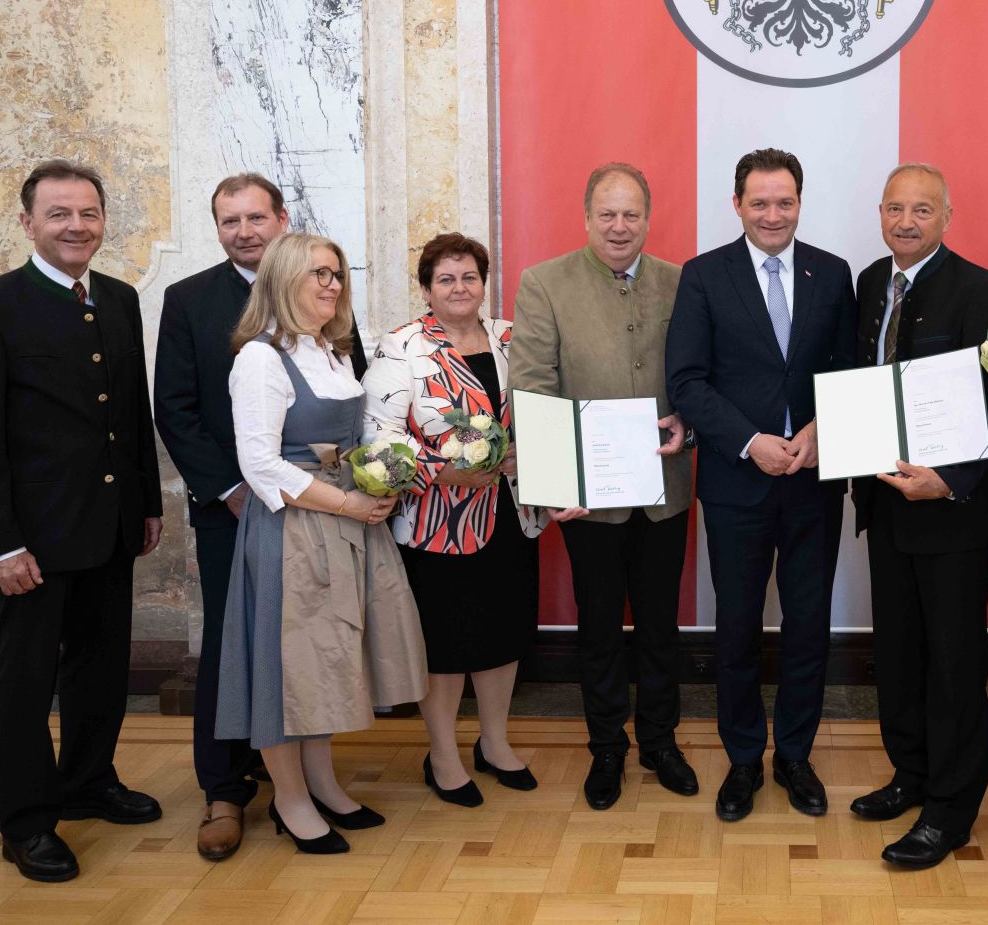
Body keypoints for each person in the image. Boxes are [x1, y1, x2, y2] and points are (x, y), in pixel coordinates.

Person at [0, 159, 165, 883]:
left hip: (111, 525)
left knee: (101, 668)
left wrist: (149, 501)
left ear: (104, 221)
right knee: (28, 681)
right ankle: (29, 822)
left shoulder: (122, 299)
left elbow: (130, 412)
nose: (76, 226)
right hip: (33, 539)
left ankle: (88, 781)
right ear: (28, 221)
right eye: (60, 213)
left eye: (88, 213)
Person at [154, 173, 368, 862]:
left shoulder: (326, 308)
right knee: (237, 649)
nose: (243, 230)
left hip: (318, 512)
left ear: (280, 219)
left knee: (306, 652)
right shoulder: (190, 300)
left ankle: (308, 784)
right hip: (238, 509)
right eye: (228, 220)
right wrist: (232, 489)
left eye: (255, 217)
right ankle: (224, 790)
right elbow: (176, 408)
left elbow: (348, 406)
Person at [215, 232, 426, 854]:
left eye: (336, 274)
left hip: (347, 521)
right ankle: (289, 797)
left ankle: (323, 782)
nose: (332, 285)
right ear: (281, 279)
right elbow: (259, 465)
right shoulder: (260, 358)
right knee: (287, 668)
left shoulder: (332, 355)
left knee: (326, 662)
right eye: (317, 274)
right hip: (295, 530)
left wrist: (379, 481)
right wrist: (348, 503)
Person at [665, 148, 857, 823]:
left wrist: (817, 428)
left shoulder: (833, 273)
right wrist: (751, 441)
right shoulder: (704, 275)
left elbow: (849, 369)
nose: (772, 213)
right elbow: (687, 381)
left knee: (808, 626)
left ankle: (794, 755)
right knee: (738, 626)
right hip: (736, 483)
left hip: (813, 479)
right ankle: (744, 756)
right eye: (760, 201)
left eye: (784, 201)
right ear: (738, 204)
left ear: (800, 202)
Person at [508, 164, 698, 810]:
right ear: (586, 216)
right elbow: (531, 386)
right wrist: (553, 480)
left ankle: (661, 740)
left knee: (660, 627)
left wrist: (691, 426)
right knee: (597, 629)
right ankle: (607, 747)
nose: (620, 226)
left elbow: (701, 376)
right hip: (587, 499)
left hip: (664, 489)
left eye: (632, 214)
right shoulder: (545, 283)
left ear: (649, 217)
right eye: (607, 214)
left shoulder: (682, 282)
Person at [846, 165, 988, 869]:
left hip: (951, 512)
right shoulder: (867, 282)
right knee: (900, 655)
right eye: (895, 208)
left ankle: (950, 808)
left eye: (922, 209)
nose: (906, 221)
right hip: (883, 504)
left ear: (948, 214)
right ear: (879, 213)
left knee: (952, 664)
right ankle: (910, 772)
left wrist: (949, 481)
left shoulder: (981, 289)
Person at [363, 233, 542, 808]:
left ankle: (495, 743)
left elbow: (544, 413)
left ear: (484, 283)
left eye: (469, 277)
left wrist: (531, 452)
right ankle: (441, 753)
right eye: (446, 279)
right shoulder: (403, 348)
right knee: (443, 643)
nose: (460, 288)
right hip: (437, 524)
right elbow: (377, 443)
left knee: (503, 632)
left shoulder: (514, 338)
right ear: (425, 288)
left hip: (511, 514)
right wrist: (441, 473)